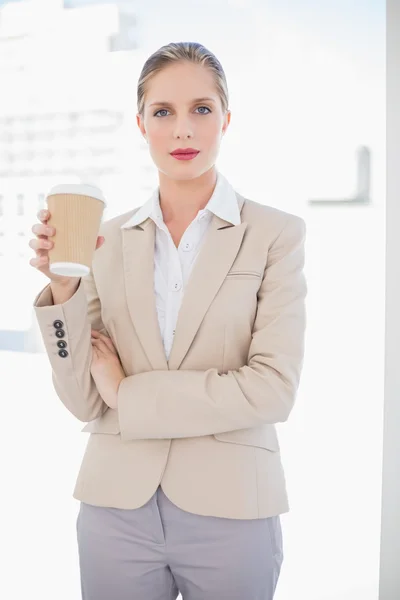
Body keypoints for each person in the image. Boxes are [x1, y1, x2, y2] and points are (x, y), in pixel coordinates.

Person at [30, 41, 307, 600]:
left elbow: (273, 390)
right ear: (141, 124)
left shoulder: (276, 234)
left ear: (226, 119)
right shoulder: (105, 240)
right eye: (164, 112)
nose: (183, 129)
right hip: (115, 511)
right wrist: (62, 288)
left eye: (201, 109)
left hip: (231, 510)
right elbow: (86, 399)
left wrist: (127, 395)